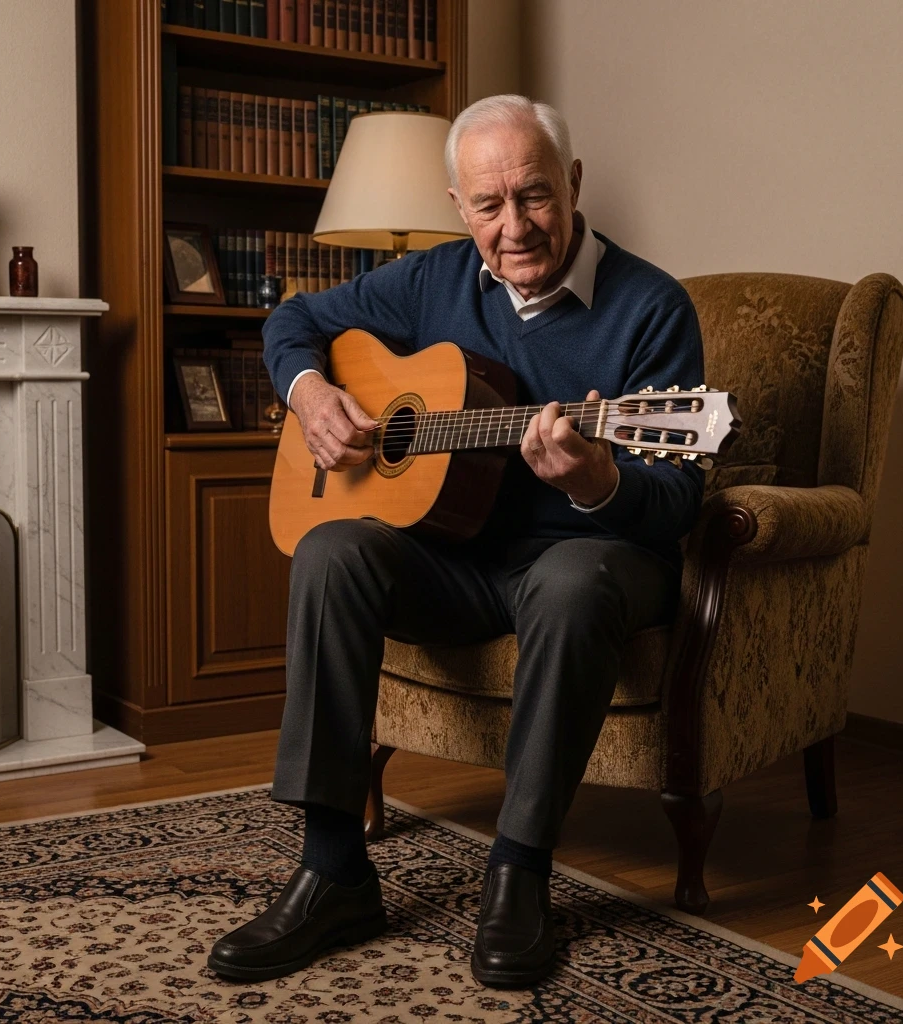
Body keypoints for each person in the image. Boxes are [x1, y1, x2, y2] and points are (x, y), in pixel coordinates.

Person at [208, 94, 705, 988]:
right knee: (331, 549)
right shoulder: (431, 281)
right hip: (458, 560)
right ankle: (332, 869)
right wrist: (314, 398)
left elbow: (676, 502)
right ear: (457, 207)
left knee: (571, 579)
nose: (514, 227)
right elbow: (292, 322)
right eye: (489, 205)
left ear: (574, 183)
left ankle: (518, 869)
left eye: (535, 196)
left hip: (590, 560)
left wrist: (595, 477)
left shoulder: (652, 308)